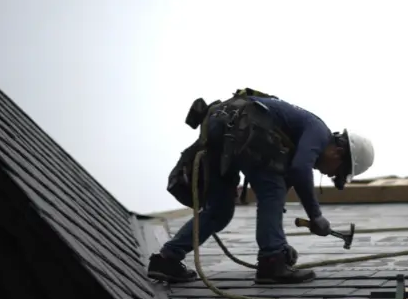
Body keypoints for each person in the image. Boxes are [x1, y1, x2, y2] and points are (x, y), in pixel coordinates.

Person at [147, 89, 375, 285]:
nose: (327, 174)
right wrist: (315, 216)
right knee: (271, 190)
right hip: (243, 127)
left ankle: (167, 259)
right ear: (339, 152)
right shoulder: (318, 131)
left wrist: (281, 244)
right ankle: (271, 263)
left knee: (219, 211)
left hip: (223, 126)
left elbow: (277, 198)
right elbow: (298, 171)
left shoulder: (296, 140)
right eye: (336, 172)